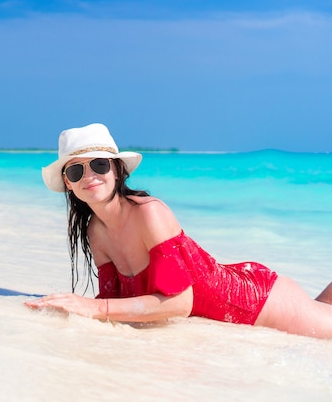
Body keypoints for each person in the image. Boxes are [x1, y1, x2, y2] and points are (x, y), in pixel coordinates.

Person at [25, 123, 332, 339]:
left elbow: (179, 303)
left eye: (100, 165)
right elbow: (116, 303)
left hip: (254, 303)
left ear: (117, 170)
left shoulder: (149, 213)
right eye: (77, 170)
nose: (89, 176)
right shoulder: (96, 231)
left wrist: (92, 307)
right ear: (68, 182)